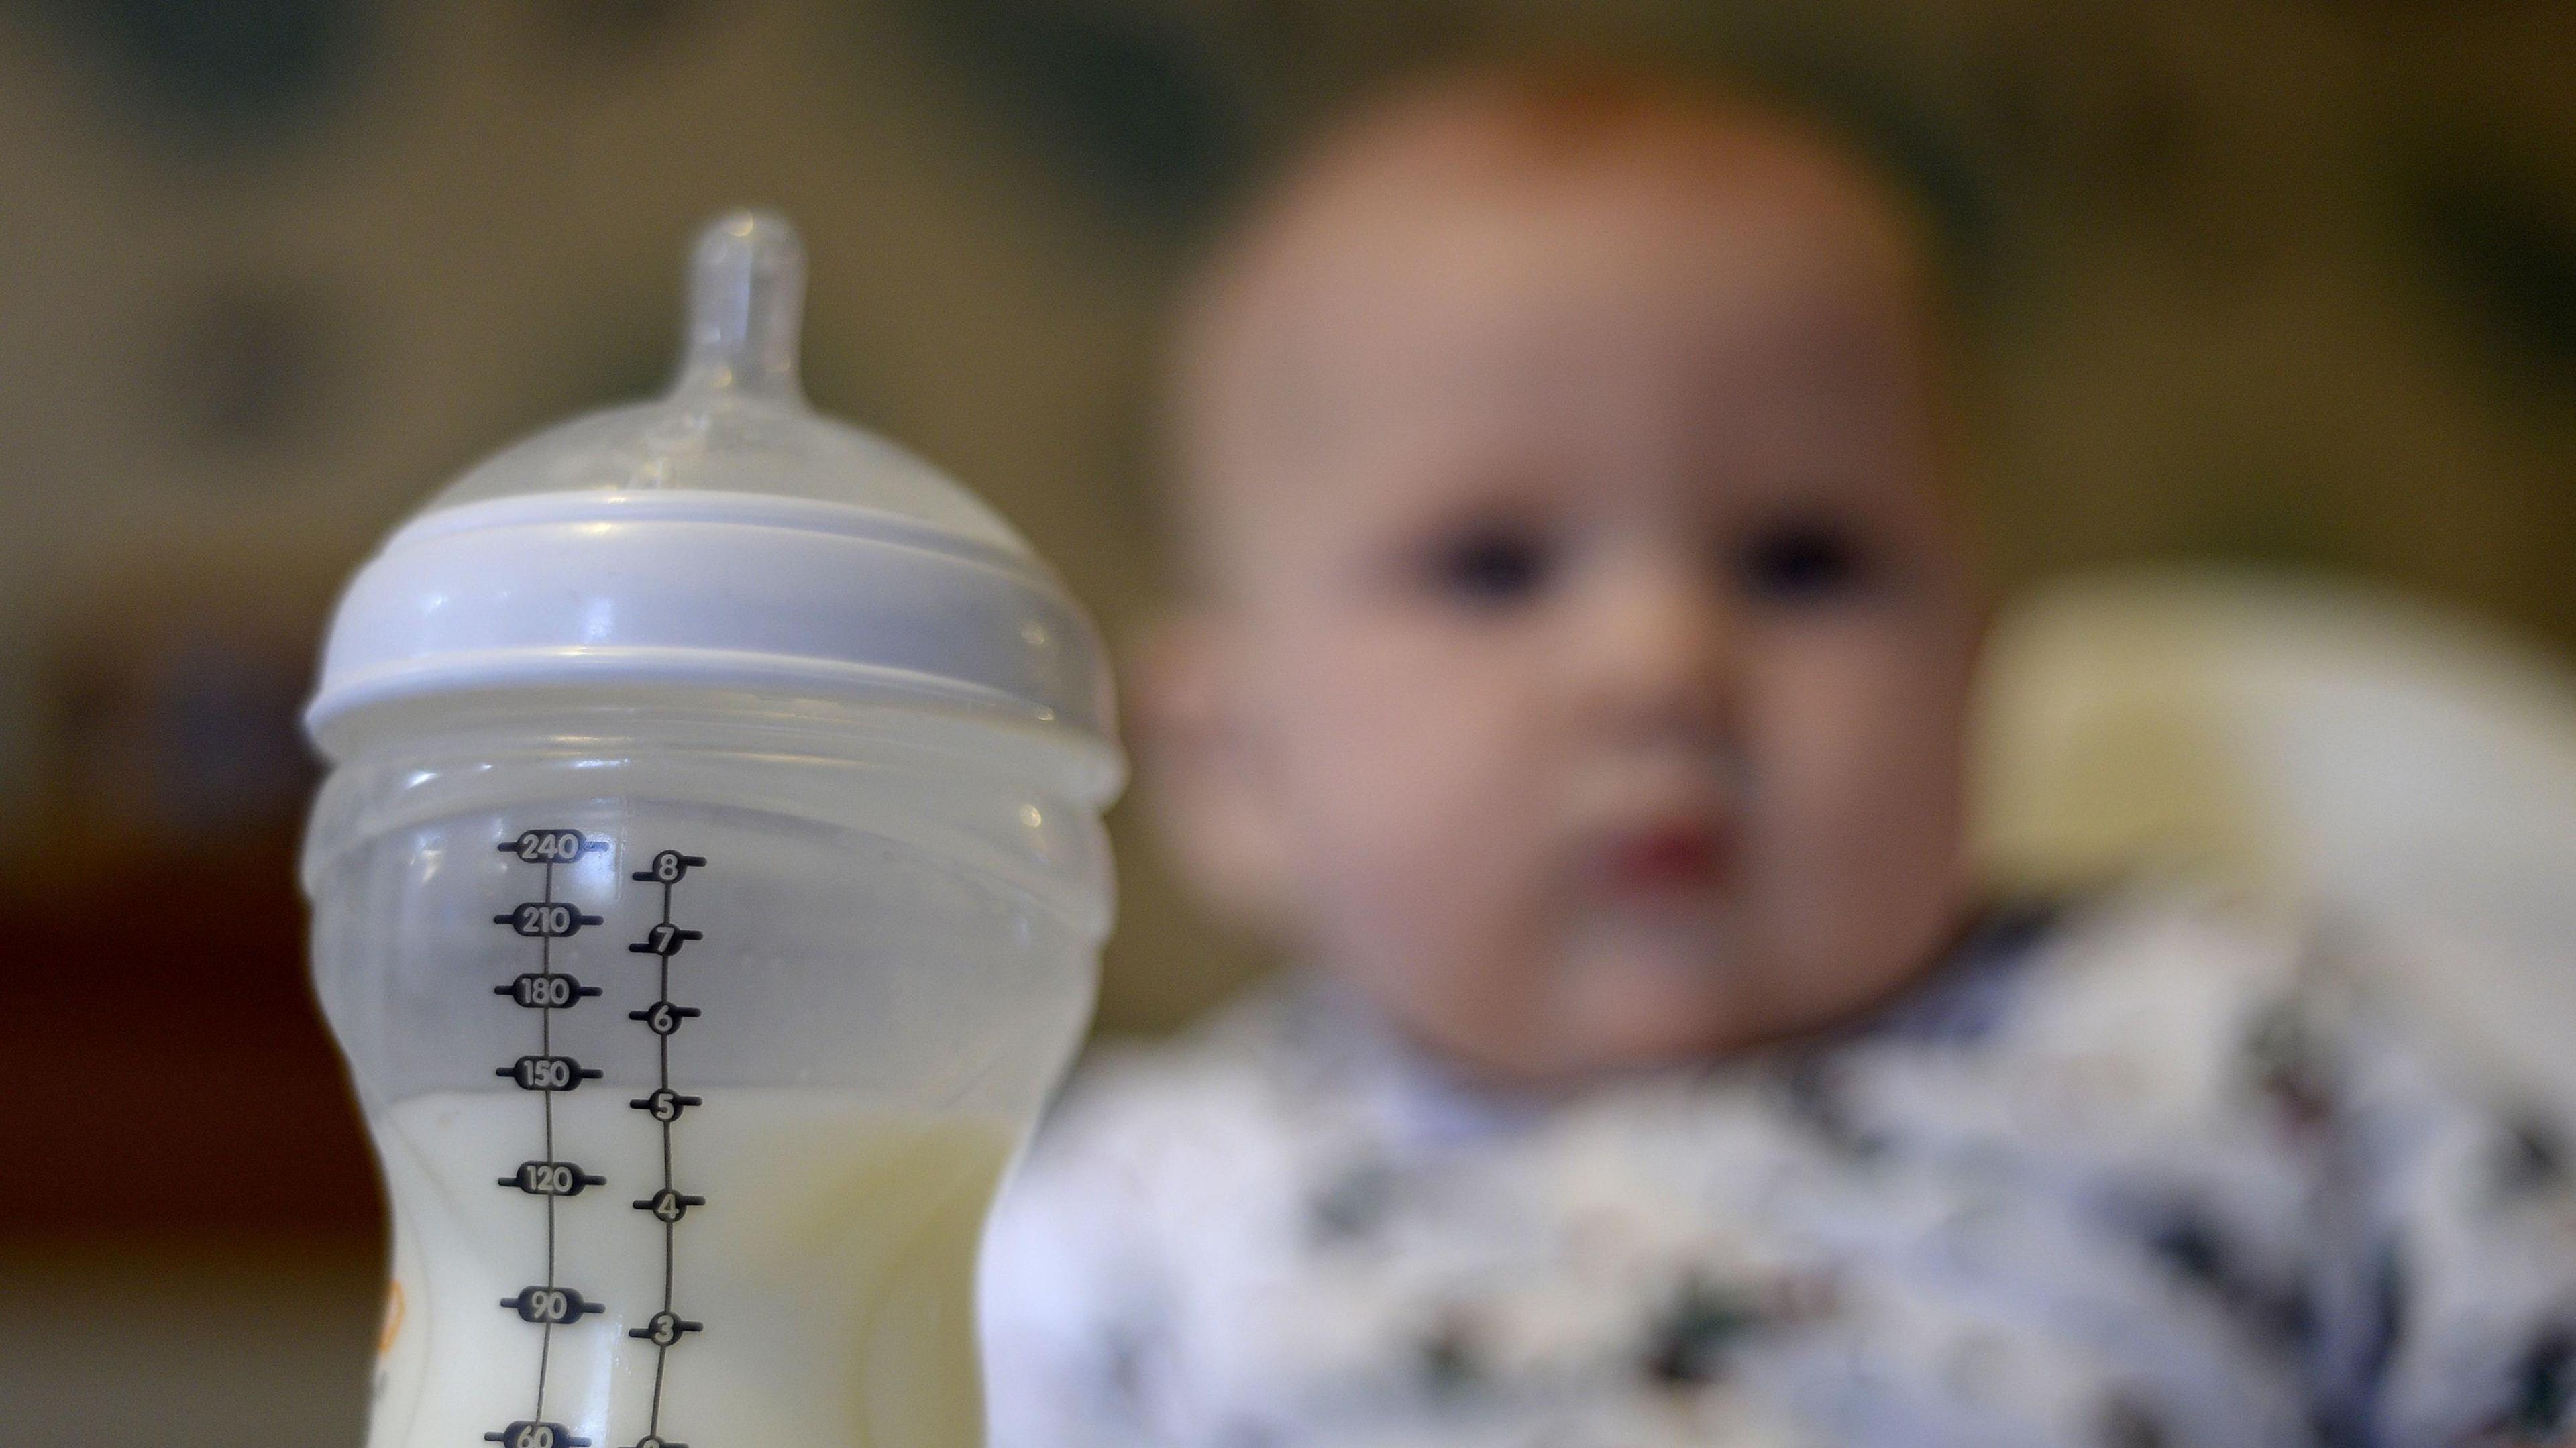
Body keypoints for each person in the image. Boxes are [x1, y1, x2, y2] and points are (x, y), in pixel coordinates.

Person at [978, 61, 2576, 1448]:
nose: (1664, 663)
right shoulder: (1123, 1228)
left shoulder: (2244, 1038)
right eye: (1493, 567)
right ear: (1235, 766)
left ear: (1975, 680)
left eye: (1803, 559)